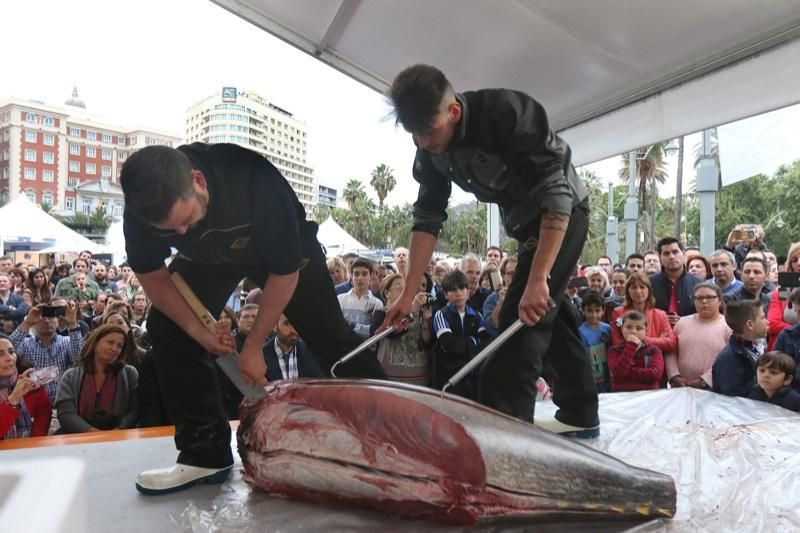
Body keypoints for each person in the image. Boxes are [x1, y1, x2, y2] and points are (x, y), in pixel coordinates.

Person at [121, 142, 386, 494]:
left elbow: (284, 273)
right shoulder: (141, 208)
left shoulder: (251, 179)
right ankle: (205, 454)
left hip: (284, 254)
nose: (182, 233)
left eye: (186, 220)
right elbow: (153, 276)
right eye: (172, 231)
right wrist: (199, 333)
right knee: (166, 328)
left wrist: (255, 344)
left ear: (198, 181)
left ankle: (388, 433)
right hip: (209, 258)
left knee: (331, 337)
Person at [383, 64, 599, 436]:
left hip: (562, 214)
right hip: (525, 223)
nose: (422, 142)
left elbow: (556, 194)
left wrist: (539, 277)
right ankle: (581, 411)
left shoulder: (507, 114)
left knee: (521, 324)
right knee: (550, 316)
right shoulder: (429, 148)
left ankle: (507, 441)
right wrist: (407, 292)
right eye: (413, 134)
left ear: (453, 112)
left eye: (428, 130)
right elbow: (427, 219)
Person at [55, 324, 139, 433]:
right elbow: (65, 413)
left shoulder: (130, 374)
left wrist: (119, 430)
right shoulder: (70, 376)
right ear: (95, 343)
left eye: (119, 346)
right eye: (110, 342)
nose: (115, 349)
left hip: (119, 437)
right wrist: (93, 433)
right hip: (78, 437)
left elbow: (135, 410)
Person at [9, 301, 83, 404]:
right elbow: (7, 351)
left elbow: (79, 358)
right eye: (41, 317)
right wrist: (27, 323)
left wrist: (72, 324)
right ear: (33, 324)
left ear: (58, 321)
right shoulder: (25, 344)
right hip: (31, 403)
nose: (46, 320)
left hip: (63, 402)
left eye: (51, 317)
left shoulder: (67, 341)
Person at [430, 271, 489, 399]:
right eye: (452, 290)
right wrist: (474, 341)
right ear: (445, 294)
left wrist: (466, 345)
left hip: (473, 377)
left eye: (462, 288)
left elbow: (485, 344)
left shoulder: (477, 316)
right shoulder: (441, 315)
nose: (458, 293)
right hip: (449, 378)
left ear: (468, 292)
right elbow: (450, 345)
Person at [370, 273, 434, 385]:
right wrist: (412, 308)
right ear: (387, 292)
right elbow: (393, 333)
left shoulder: (422, 312)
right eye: (400, 287)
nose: (405, 291)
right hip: (389, 378)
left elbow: (428, 343)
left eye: (406, 288)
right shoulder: (381, 312)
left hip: (419, 377)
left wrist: (425, 321)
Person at [665, 282, 731, 390]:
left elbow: (728, 360)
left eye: (710, 297)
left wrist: (705, 381)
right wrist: (674, 376)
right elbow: (671, 351)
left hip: (713, 389)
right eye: (699, 298)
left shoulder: (728, 326)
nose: (704, 301)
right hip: (681, 387)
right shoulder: (682, 322)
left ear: (719, 300)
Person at [610, 272, 677, 355]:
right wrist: (659, 340)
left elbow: (671, 343)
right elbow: (617, 345)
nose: (638, 291)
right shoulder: (618, 313)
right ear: (628, 291)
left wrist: (643, 339)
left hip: (654, 363)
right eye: (634, 287)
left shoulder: (660, 315)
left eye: (642, 287)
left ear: (649, 290)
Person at [712, 300, 768, 397]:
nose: (767, 321)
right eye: (763, 318)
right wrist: (762, 381)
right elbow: (733, 397)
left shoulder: (757, 345)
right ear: (750, 325)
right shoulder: (730, 358)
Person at [0, 336, 51, 439]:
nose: (9, 358)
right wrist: (14, 397)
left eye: (11, 352)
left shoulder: (29, 377)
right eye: (0, 354)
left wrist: (33, 444)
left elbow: (43, 413)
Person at [649, 237, 703, 326]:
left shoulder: (699, 284)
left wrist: (683, 321)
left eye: (675, 252)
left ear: (683, 254)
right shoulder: (649, 284)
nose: (672, 257)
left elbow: (706, 313)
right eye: (666, 254)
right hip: (657, 334)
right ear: (660, 257)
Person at [608, 310, 664, 391]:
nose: (633, 331)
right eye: (629, 327)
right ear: (622, 328)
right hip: (622, 396)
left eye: (639, 328)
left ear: (646, 331)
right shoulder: (614, 350)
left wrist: (627, 372)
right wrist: (631, 346)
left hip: (649, 396)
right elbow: (618, 373)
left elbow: (655, 374)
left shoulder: (654, 350)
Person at [263, 314, 325, 381]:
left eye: (297, 323)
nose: (293, 330)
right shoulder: (261, 355)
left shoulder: (312, 353)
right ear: (275, 326)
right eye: (287, 324)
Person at [337, 258, 384, 340]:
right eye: (356, 274)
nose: (360, 278)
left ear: (371, 276)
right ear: (351, 276)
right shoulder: (340, 299)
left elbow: (374, 332)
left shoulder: (377, 303)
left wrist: (351, 325)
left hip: (366, 349)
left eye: (364, 274)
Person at [767, 242, 800, 347]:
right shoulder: (783, 290)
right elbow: (772, 324)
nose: (799, 263)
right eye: (794, 260)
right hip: (785, 350)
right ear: (790, 265)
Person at [579, 292, 612, 393]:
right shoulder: (580, 332)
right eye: (589, 310)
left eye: (597, 311)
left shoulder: (608, 329)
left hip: (608, 380)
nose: (594, 315)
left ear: (603, 311)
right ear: (583, 310)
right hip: (590, 381)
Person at [483, 256, 518, 338]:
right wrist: (501, 302)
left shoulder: (529, 295)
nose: (515, 277)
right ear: (502, 276)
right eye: (511, 273)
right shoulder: (492, 300)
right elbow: (491, 327)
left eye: (518, 273)